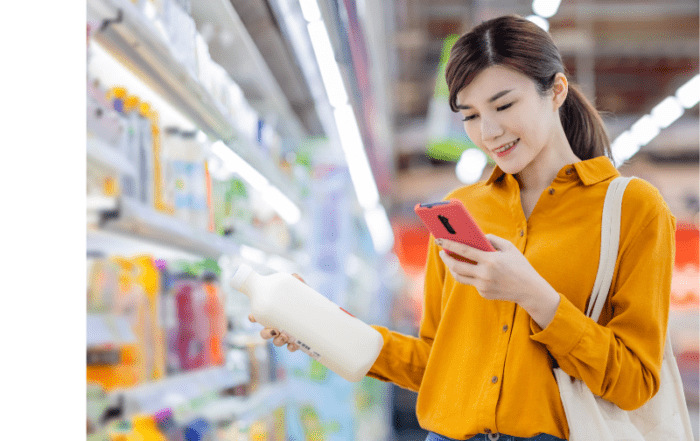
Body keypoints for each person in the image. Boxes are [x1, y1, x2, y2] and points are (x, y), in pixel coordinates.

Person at [249, 14, 676, 441]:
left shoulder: (633, 208)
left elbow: (635, 382)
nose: (489, 132)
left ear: (556, 91)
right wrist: (320, 328)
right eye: (470, 115)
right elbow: (436, 362)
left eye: (504, 105)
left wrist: (534, 294)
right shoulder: (461, 210)